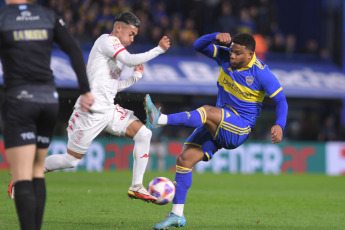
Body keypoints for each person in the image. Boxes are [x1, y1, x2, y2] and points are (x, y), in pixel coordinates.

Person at [145, 32, 288, 229]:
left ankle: (160, 119)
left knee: (207, 112)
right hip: (220, 122)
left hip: (239, 128)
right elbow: (198, 45)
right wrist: (214, 36)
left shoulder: (262, 73)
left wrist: (279, 124)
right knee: (184, 159)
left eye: (238, 54)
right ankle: (177, 215)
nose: (232, 56)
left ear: (250, 54)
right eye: (231, 51)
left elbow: (281, 100)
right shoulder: (224, 57)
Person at [41, 12, 170, 202]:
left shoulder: (115, 55)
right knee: (71, 160)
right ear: (118, 28)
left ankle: (136, 186)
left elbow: (111, 87)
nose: (133, 39)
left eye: (135, 35)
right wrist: (158, 49)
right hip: (90, 112)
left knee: (144, 134)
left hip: (108, 110)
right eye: (131, 33)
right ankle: (26, 175)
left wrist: (134, 78)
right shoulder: (106, 41)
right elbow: (131, 60)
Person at [1, 0, 94, 229]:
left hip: (19, 100)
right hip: (48, 101)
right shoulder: (47, 15)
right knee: (36, 171)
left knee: (22, 173)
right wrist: (85, 90)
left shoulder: (3, 17)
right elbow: (73, 49)